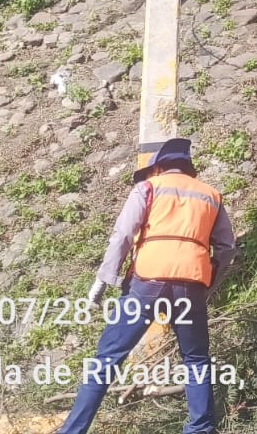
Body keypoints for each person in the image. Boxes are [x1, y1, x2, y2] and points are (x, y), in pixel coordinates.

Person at [56, 138, 236, 434]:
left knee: (108, 359)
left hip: (146, 283)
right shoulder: (211, 195)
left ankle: (73, 430)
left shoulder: (148, 188)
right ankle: (200, 429)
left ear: (159, 166)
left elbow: (122, 236)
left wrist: (104, 280)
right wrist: (207, 284)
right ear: (189, 168)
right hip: (190, 286)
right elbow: (227, 248)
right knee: (196, 360)